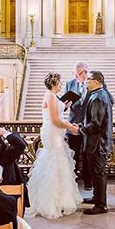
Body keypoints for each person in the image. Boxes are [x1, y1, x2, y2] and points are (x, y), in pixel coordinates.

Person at [26, 72, 81, 219]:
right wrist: (71, 128)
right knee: (54, 161)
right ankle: (50, 202)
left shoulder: (52, 96)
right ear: (55, 83)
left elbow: (58, 115)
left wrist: (66, 111)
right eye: (60, 82)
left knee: (58, 161)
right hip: (52, 132)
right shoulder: (50, 95)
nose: (62, 85)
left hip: (56, 132)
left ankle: (60, 199)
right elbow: (55, 120)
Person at [78, 69, 113, 215]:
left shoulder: (98, 98)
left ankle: (101, 205)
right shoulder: (101, 94)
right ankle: (97, 197)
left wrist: (81, 130)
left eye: (89, 80)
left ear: (96, 82)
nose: (86, 81)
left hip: (97, 144)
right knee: (96, 173)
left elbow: (96, 124)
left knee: (98, 174)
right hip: (100, 142)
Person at [64, 61, 91, 189]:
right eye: (74, 74)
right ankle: (72, 181)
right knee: (72, 154)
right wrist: (65, 105)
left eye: (78, 74)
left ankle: (87, 181)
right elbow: (64, 105)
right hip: (72, 125)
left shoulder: (92, 84)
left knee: (87, 155)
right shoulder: (70, 84)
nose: (76, 77)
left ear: (85, 72)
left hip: (87, 126)